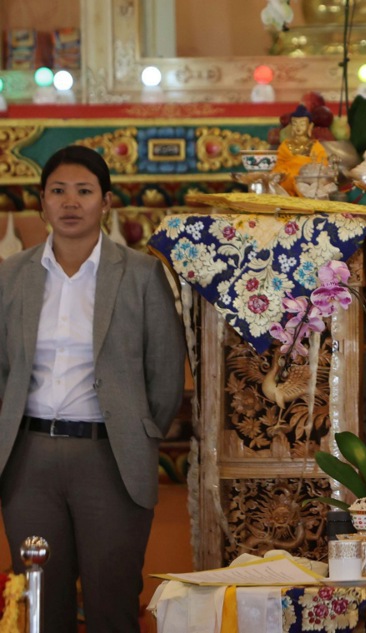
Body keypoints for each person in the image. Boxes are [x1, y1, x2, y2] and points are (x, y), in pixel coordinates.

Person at [0, 145, 187, 632]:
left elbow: (165, 373)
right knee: (41, 603)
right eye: (57, 191)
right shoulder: (11, 277)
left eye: (84, 191)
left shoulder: (142, 275)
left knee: (113, 600)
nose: (69, 202)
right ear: (41, 202)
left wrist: (137, 434)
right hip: (29, 461)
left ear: (105, 202)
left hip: (111, 457)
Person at [273, 104, 329, 197]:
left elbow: (322, 169)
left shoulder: (316, 146)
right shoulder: (285, 145)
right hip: (286, 187)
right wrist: (285, 174)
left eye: (302, 124)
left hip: (308, 186)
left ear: (310, 126)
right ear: (291, 126)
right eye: (295, 124)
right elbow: (277, 167)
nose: (298, 127)